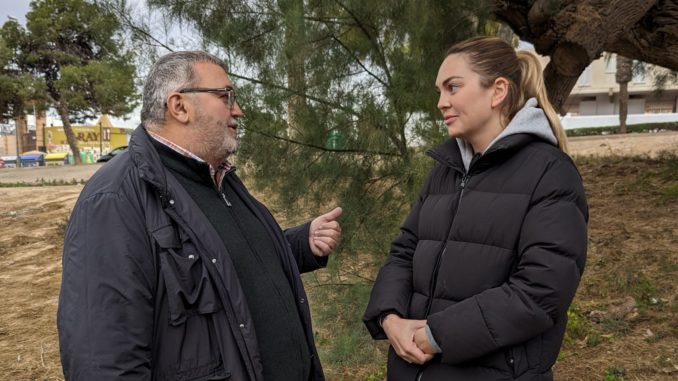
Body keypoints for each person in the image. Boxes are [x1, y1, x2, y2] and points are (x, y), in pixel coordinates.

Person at [57, 51, 342, 381]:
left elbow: (226, 263)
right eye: (225, 96)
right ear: (179, 106)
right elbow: (102, 361)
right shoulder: (114, 200)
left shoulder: (218, 177)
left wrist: (301, 243)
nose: (238, 110)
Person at [363, 36, 588, 380]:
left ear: (497, 91)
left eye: (452, 87)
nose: (441, 102)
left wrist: (436, 336)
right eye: (439, 91)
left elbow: (541, 290)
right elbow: (404, 251)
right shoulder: (445, 170)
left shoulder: (549, 172)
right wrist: (390, 318)